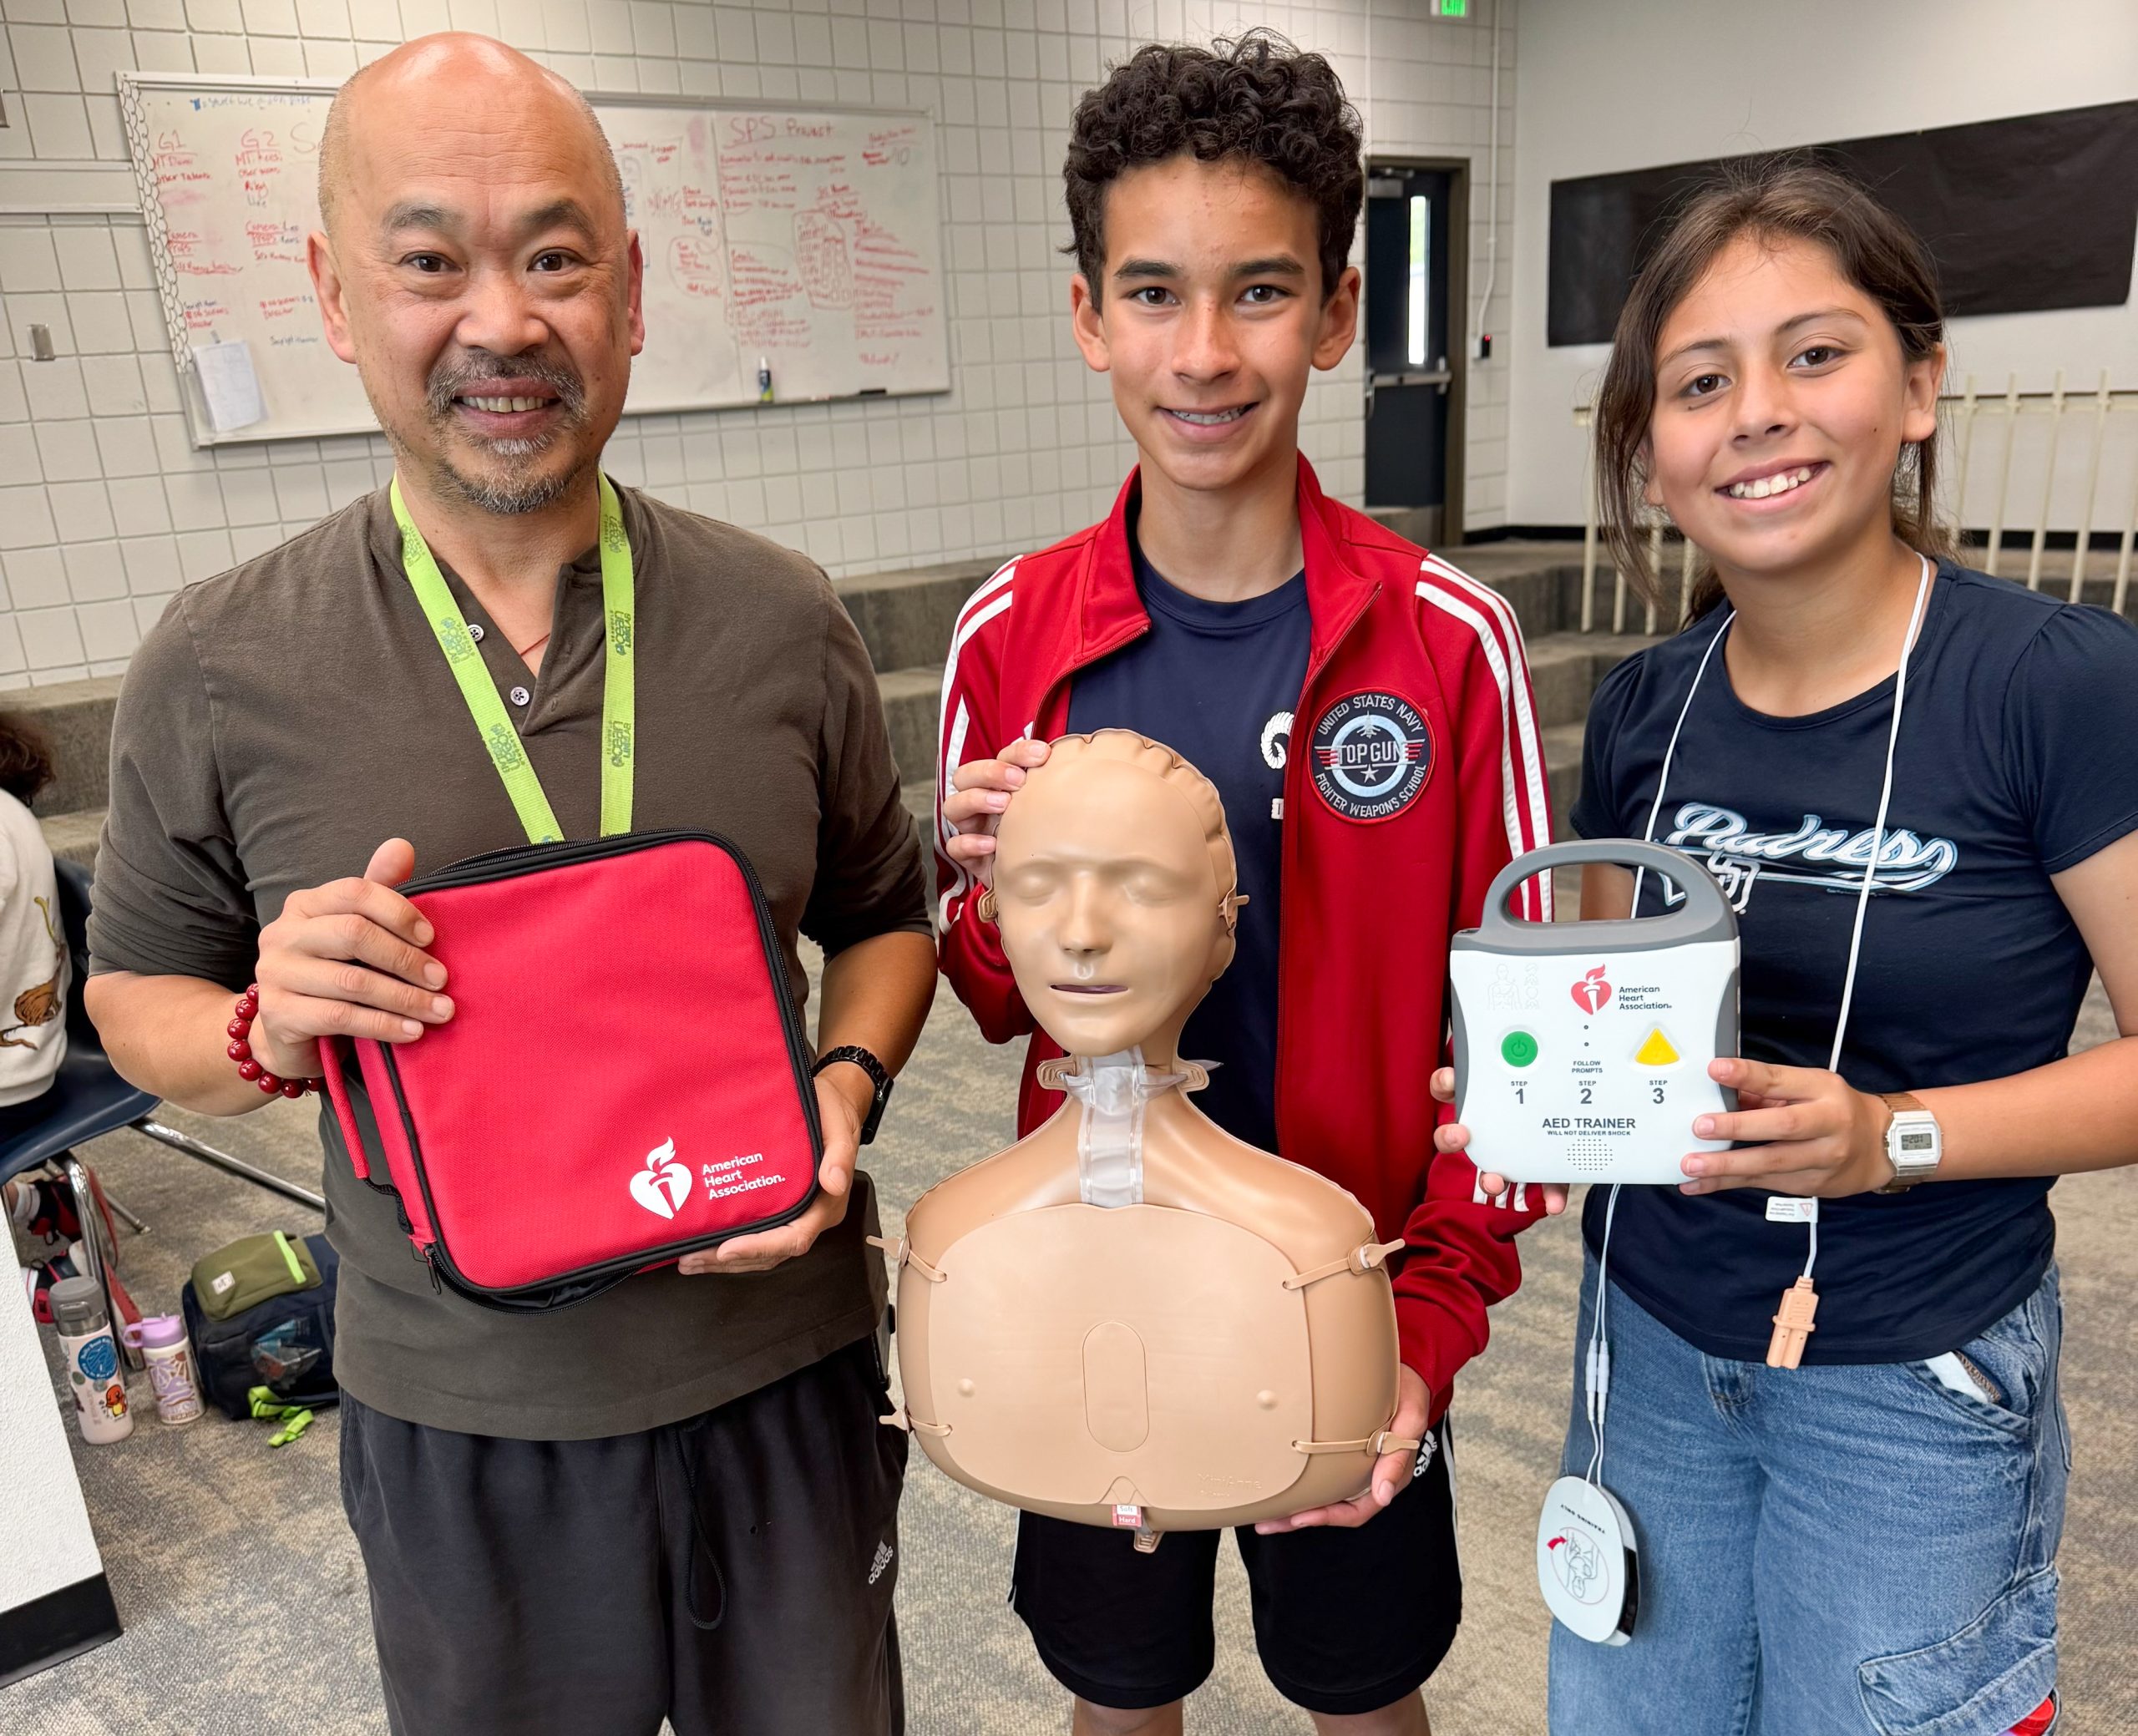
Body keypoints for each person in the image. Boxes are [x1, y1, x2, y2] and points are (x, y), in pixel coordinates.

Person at [83, 36, 935, 1736]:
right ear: (336, 295)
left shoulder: (779, 616)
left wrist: (842, 1084)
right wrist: (264, 1021)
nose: (499, 319)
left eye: (552, 257)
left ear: (628, 291)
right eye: (428, 261)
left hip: (781, 1375)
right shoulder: (222, 655)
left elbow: (883, 913)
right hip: (462, 1415)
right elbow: (133, 997)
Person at [1439, 165, 2138, 1736]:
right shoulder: (1645, 705)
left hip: (1910, 1385)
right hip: (1654, 1355)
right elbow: (1607, 1017)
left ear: (1919, 387)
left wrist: (1889, 1139)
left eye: (1815, 355)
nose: (1758, 411)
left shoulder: (2057, 688)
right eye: (1701, 382)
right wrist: (1529, 1097)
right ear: (1652, 450)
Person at [936, 35, 1553, 1736]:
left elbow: (1523, 1042)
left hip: (1357, 1297)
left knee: (1360, 1693)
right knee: (1116, 1689)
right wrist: (983, 886)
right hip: (1096, 1283)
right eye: (1151, 294)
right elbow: (992, 995)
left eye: (1259, 292)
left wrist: (1422, 1322)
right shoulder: (1012, 640)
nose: (1202, 353)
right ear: (1086, 317)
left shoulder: (1444, 641)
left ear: (1337, 311)